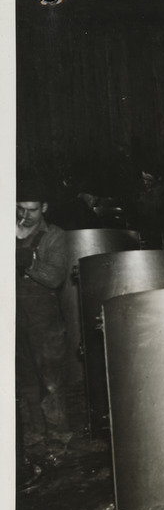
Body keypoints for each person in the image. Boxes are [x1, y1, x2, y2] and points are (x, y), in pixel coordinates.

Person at [16, 183, 72, 452]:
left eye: (32, 210)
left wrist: (28, 263)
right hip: (16, 316)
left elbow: (55, 277)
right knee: (24, 378)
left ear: (45, 208)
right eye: (20, 209)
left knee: (51, 380)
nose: (25, 215)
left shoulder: (55, 236)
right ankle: (34, 433)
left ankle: (59, 434)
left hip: (44, 319)